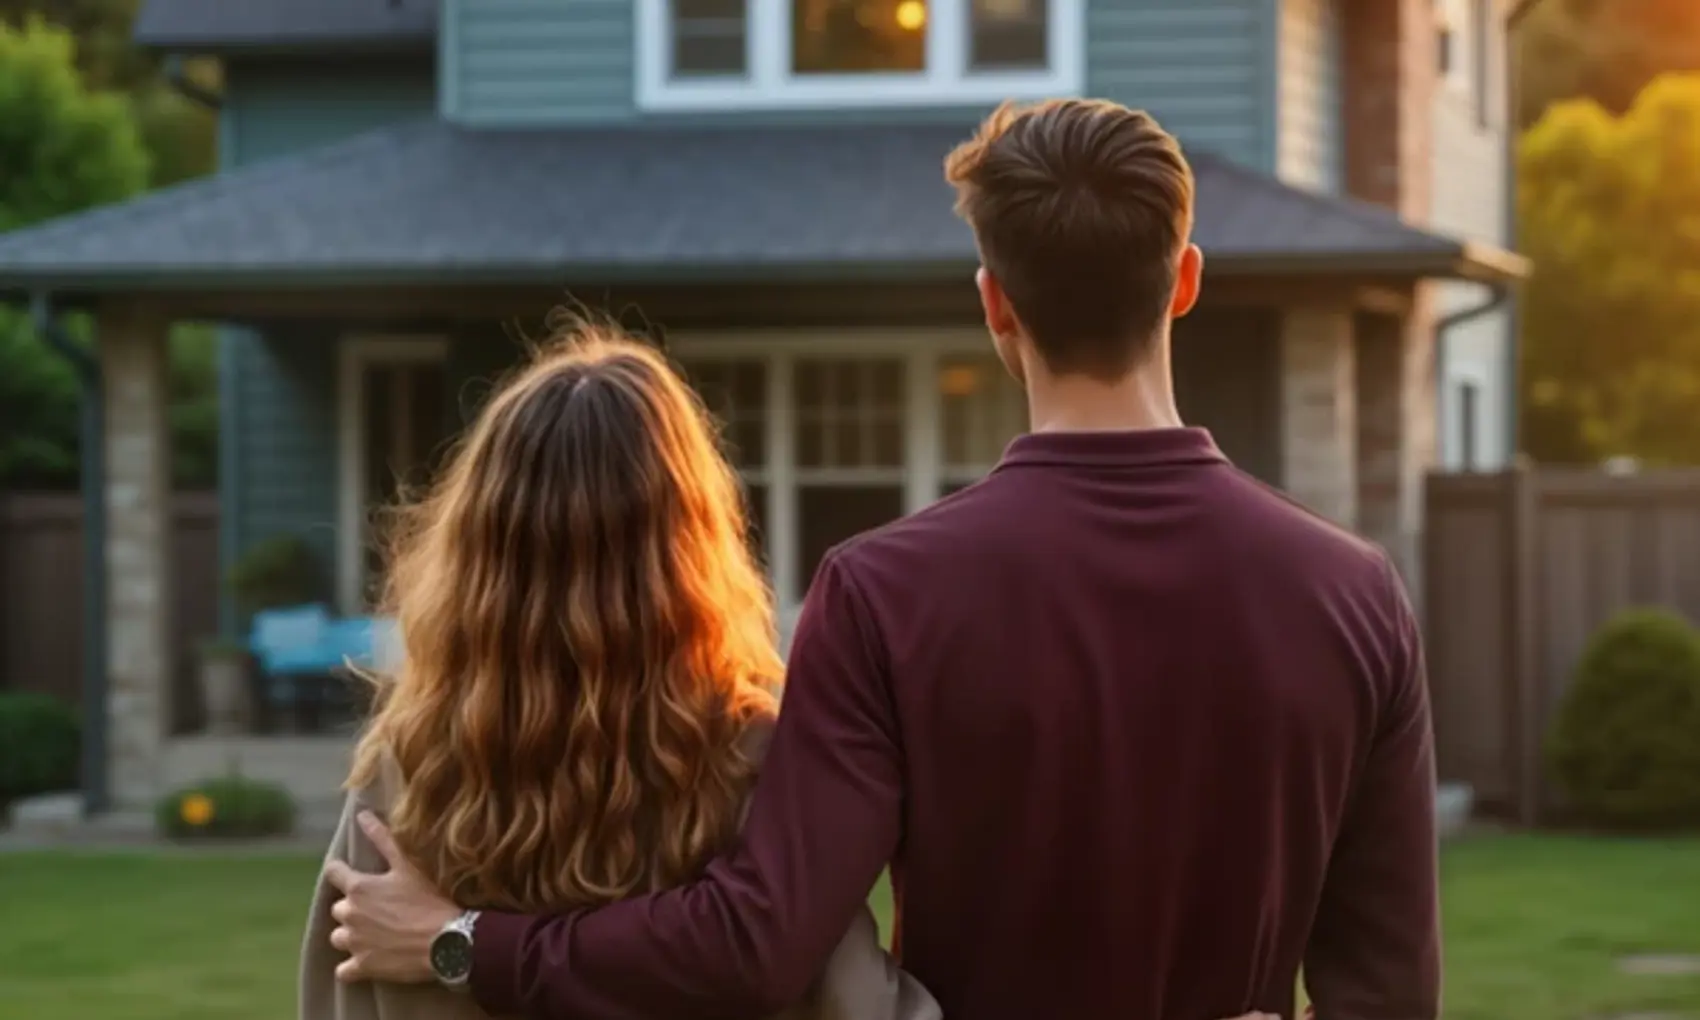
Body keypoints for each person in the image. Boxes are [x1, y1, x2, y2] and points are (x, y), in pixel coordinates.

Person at [326, 98, 1439, 1020]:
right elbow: (1389, 991)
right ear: (1184, 281)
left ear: (992, 305)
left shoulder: (884, 593)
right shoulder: (1352, 596)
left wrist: (467, 942)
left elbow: (756, 941)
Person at [301, 329, 941, 1020]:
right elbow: (858, 1003)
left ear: (480, 551)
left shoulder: (410, 770)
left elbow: (340, 999)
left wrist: (457, 945)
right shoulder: (749, 757)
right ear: (690, 547)